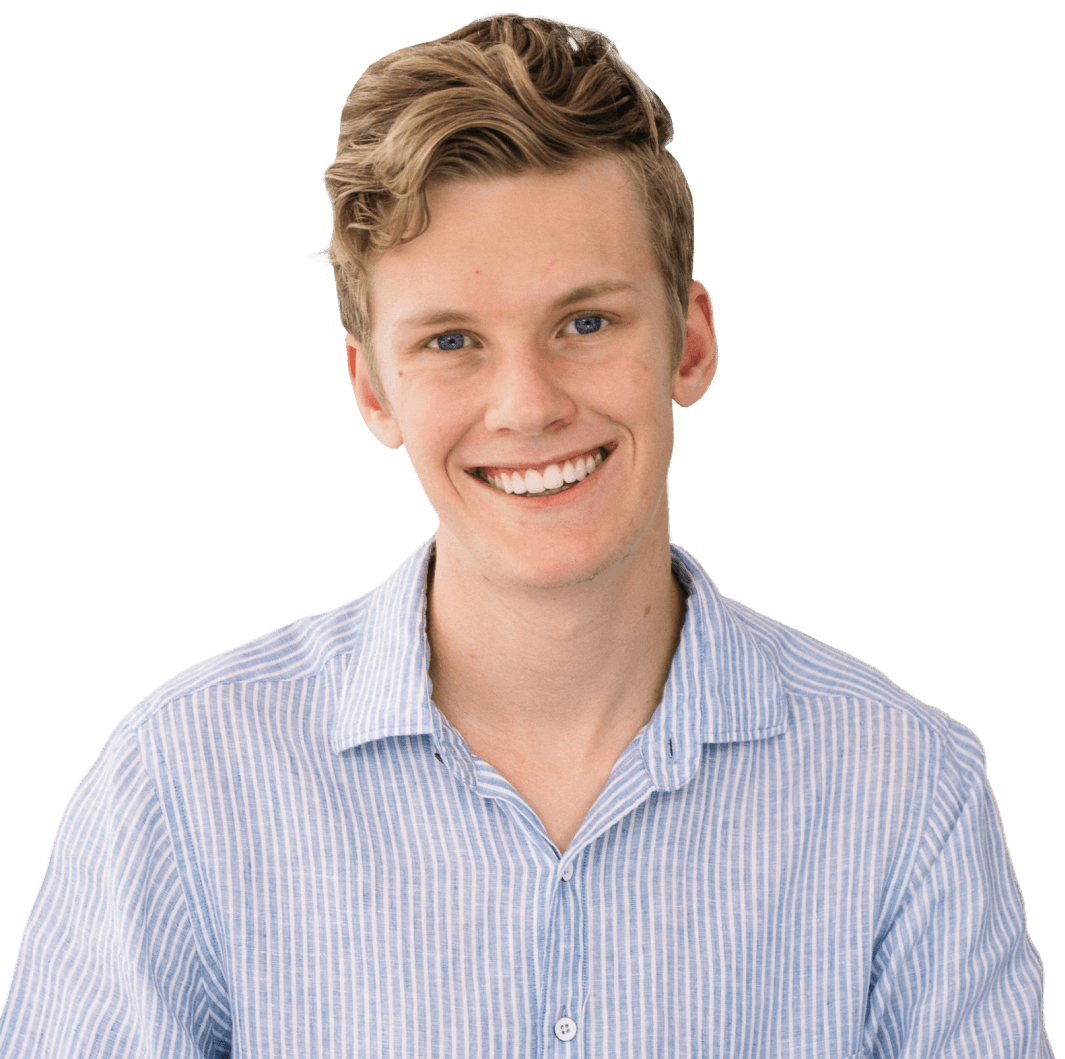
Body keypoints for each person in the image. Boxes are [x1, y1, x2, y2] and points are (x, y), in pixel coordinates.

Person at [0, 12, 1052, 1058]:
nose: (528, 406)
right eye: (451, 341)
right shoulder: (181, 783)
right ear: (372, 391)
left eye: (585, 323)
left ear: (690, 344)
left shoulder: (909, 792)